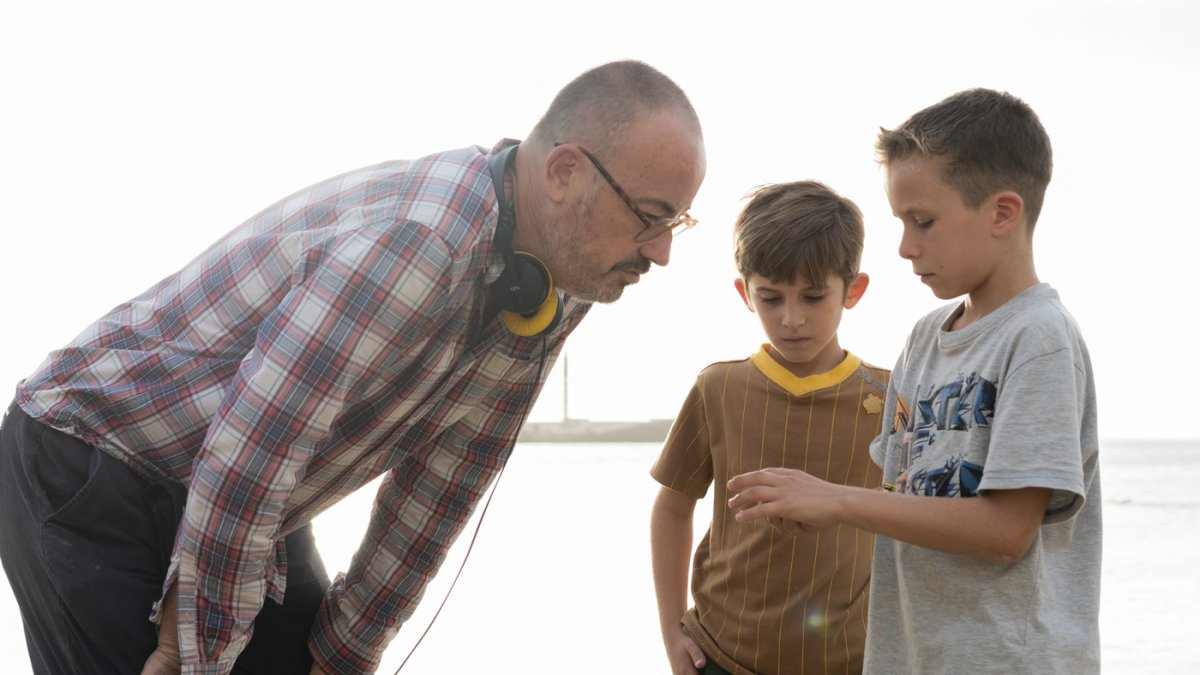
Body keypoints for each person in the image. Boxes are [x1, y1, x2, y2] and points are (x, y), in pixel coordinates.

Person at [0, 60, 706, 675]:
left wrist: (344, 653)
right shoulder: (417, 243)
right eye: (650, 217)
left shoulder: (560, 282)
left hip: (247, 489)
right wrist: (201, 652)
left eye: (675, 226)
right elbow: (252, 453)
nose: (660, 253)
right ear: (564, 172)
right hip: (93, 453)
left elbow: (442, 488)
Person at [728, 88, 1102, 673]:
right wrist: (817, 508)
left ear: (1003, 213)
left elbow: (1007, 530)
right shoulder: (925, 338)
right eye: (902, 222)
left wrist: (840, 501)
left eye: (923, 222)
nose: (905, 247)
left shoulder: (1038, 339)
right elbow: (904, 497)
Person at [650, 180, 888, 675]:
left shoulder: (892, 399)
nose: (791, 318)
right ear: (744, 293)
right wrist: (672, 631)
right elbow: (673, 508)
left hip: (852, 661)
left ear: (854, 290)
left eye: (814, 296)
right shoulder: (718, 388)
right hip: (718, 657)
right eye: (771, 298)